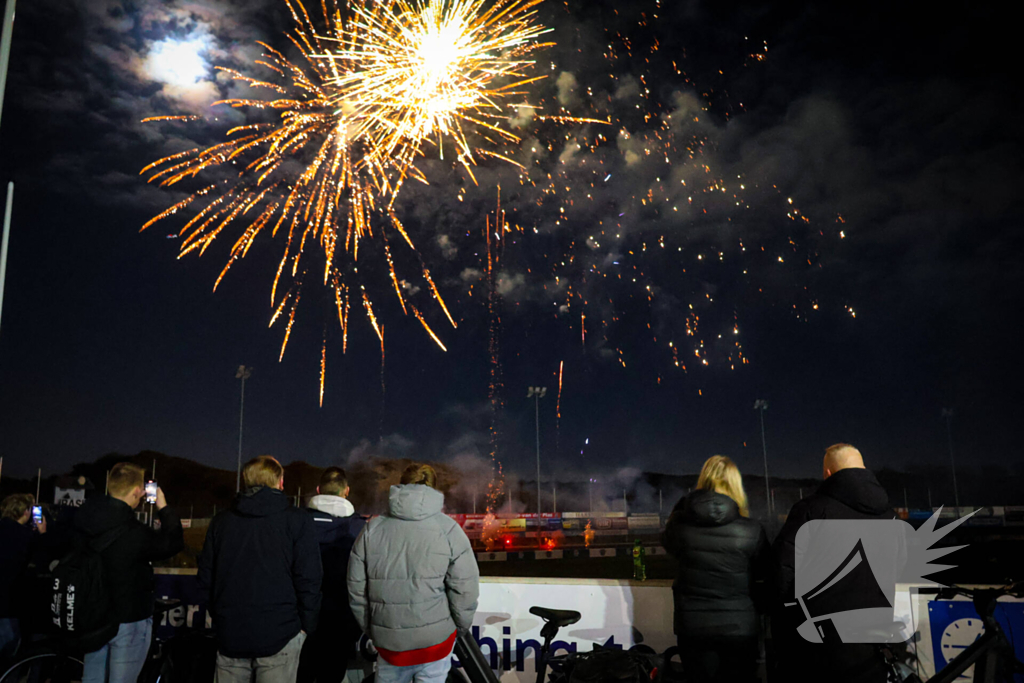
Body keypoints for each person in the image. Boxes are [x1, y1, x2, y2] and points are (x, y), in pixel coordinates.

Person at [771, 443, 895, 683]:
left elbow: (782, 572)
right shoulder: (888, 515)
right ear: (863, 468)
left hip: (822, 648)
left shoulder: (811, 510)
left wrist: (785, 632)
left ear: (827, 474)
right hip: (874, 643)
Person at [347, 463, 479, 683]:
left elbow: (356, 590)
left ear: (401, 485)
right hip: (434, 645)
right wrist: (458, 629)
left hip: (390, 646)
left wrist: (375, 630)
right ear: (434, 489)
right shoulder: (449, 530)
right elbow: (465, 589)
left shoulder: (372, 529)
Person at [198, 455, 322, 683]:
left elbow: (206, 578)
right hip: (280, 634)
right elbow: (309, 578)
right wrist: (306, 627)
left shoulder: (222, 522)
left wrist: (221, 619)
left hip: (232, 634)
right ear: (280, 482)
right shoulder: (296, 520)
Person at [661, 456, 771, 683]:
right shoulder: (752, 530)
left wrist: (683, 506)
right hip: (740, 627)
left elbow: (668, 543)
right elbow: (765, 575)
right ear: (736, 484)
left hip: (693, 628)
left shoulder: (680, 525)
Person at [74, 463, 184, 683]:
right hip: (128, 619)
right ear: (136, 491)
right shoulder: (133, 531)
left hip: (92, 617)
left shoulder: (82, 520)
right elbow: (172, 542)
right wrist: (163, 506)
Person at [298, 467, 366, 683]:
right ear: (346, 491)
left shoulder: (297, 522)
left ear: (318, 490)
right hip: (342, 620)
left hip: (301, 619)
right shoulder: (360, 527)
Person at [0, 494, 47, 663]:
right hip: (7, 604)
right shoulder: (24, 536)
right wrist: (42, 535)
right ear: (26, 512)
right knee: (10, 643)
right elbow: (39, 561)